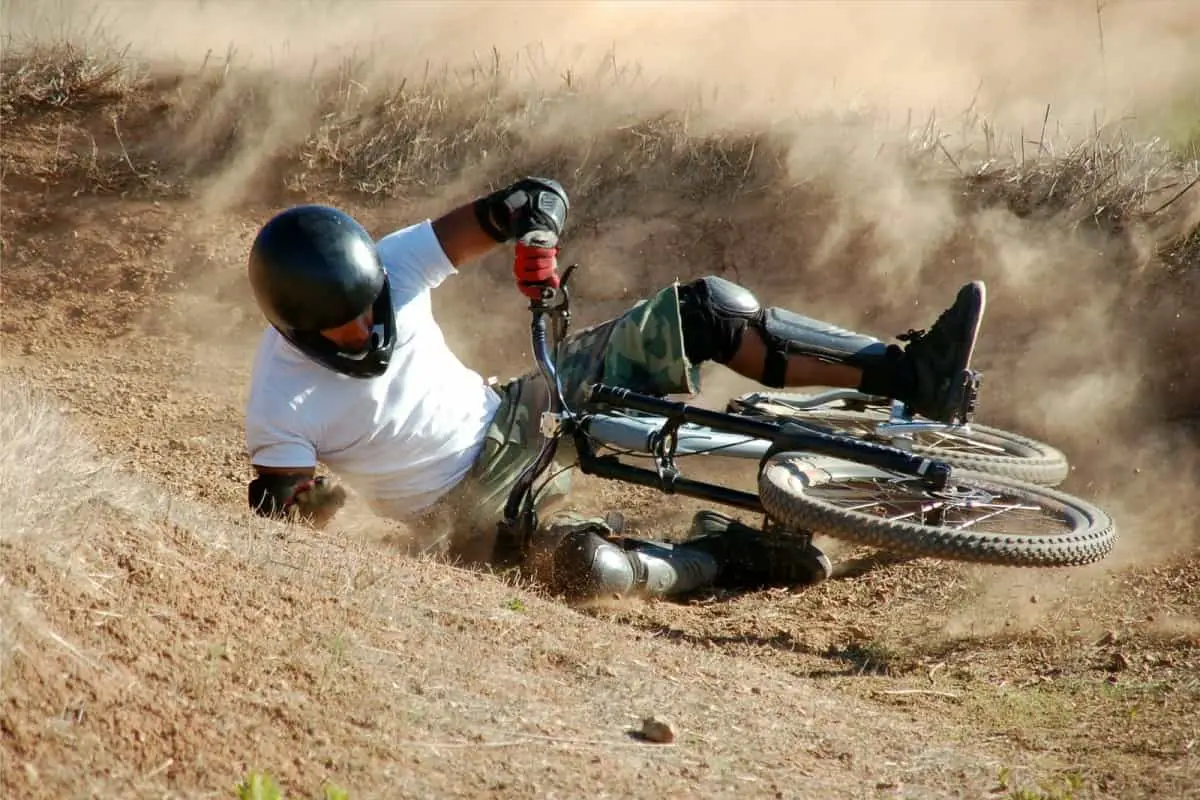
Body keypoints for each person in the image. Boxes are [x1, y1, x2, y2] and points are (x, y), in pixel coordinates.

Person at [243, 176, 986, 602]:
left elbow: (530, 197)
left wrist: (534, 239)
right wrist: (308, 505)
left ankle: (913, 376)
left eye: (369, 307)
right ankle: (732, 558)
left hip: (520, 412)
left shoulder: (394, 265)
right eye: (341, 328)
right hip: (472, 514)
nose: (367, 330)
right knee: (584, 571)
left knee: (708, 312)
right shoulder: (279, 403)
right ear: (299, 333)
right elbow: (292, 523)